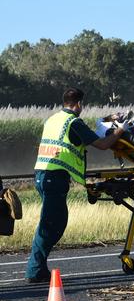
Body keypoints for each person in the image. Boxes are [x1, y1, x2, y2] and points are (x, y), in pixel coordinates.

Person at [26, 88, 127, 283]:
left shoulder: (54, 119)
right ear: (79, 103)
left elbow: (86, 132)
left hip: (42, 175)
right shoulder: (74, 122)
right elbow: (102, 144)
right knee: (50, 224)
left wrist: (108, 117)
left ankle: (38, 267)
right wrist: (120, 131)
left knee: (54, 222)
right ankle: (35, 269)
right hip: (54, 178)